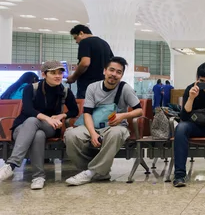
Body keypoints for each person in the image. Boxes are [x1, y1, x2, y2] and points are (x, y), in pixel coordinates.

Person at [64, 57, 142, 186]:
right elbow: (87, 113)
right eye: (111, 70)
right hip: (92, 124)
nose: (114, 74)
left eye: (118, 72)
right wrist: (93, 133)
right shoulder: (93, 88)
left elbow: (139, 111)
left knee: (116, 134)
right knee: (71, 135)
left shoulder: (125, 89)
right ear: (104, 71)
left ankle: (90, 173)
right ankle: (98, 171)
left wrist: (122, 116)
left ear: (121, 75)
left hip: (115, 126)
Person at [0, 61, 78, 190]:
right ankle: (38, 177)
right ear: (43, 74)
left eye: (60, 72)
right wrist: (48, 118)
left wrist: (61, 116)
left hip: (49, 128)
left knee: (35, 124)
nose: (58, 76)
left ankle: (12, 164)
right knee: (37, 132)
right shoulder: (31, 88)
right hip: (22, 127)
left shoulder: (65, 91)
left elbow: (74, 110)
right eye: (53, 73)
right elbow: (28, 110)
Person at [67, 24, 113, 99]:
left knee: (86, 109)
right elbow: (111, 63)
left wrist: (73, 77)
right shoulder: (105, 43)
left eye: (76, 38)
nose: (76, 41)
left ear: (81, 33)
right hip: (103, 86)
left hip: (88, 86)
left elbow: (85, 63)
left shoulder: (84, 42)